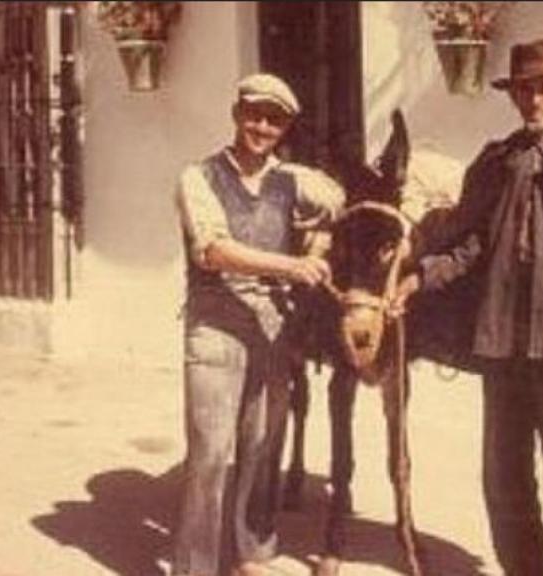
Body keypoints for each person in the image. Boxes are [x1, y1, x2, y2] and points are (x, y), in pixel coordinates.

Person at [398, 39, 543, 576]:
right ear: (513, 96)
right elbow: (470, 244)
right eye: (525, 90)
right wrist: (420, 277)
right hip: (501, 348)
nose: (534, 100)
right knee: (505, 483)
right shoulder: (494, 164)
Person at [172, 73, 342, 576]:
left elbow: (336, 201)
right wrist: (292, 265)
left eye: (275, 120)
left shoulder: (292, 179)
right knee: (210, 451)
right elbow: (213, 250)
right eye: (254, 115)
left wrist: (319, 240)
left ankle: (252, 555)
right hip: (216, 324)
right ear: (236, 114)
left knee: (265, 446)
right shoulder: (198, 177)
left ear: (285, 128)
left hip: (274, 325)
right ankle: (196, 567)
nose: (263, 127)